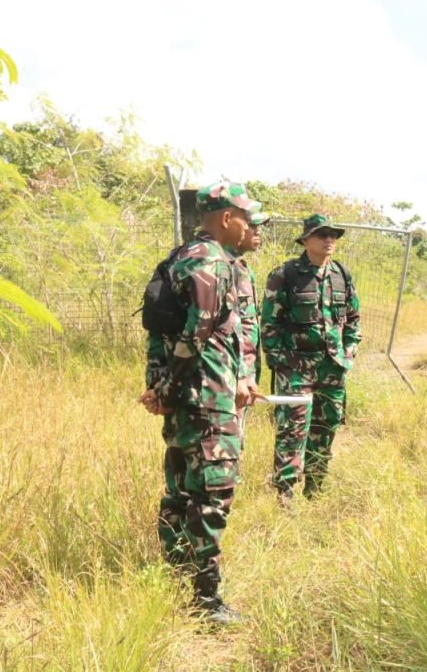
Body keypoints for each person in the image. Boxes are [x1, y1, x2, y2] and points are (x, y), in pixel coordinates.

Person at [138, 181, 261, 625]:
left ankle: (175, 574)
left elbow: (158, 332)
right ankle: (205, 601)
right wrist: (168, 388)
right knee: (211, 494)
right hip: (206, 398)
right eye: (246, 217)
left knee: (179, 487)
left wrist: (159, 385)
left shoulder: (179, 258)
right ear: (227, 218)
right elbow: (196, 335)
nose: (249, 226)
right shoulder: (212, 262)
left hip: (186, 398)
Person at [261, 214, 361, 501]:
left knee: (325, 429)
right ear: (306, 239)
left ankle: (315, 491)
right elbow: (269, 324)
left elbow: (353, 320)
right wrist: (281, 362)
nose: (329, 239)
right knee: (292, 432)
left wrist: (348, 354)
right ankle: (286, 496)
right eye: (322, 234)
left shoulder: (341, 274)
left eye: (333, 234)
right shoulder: (285, 274)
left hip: (333, 369)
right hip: (296, 369)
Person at [230, 211, 270, 437]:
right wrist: (239, 375)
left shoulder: (241, 267)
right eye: (252, 225)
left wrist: (247, 374)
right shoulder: (221, 267)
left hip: (241, 376)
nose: (257, 231)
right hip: (226, 379)